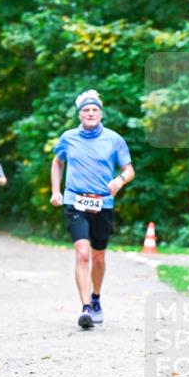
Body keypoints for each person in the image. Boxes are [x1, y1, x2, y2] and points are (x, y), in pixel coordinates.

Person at [50, 89, 134, 330]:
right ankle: (85, 308)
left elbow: (129, 170)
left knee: (98, 256)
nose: (90, 113)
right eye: (86, 110)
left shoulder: (114, 139)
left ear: (101, 113)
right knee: (82, 253)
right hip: (75, 201)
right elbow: (57, 162)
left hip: (103, 203)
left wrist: (120, 180)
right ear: (79, 114)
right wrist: (56, 191)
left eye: (94, 109)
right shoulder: (68, 138)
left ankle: (96, 297)